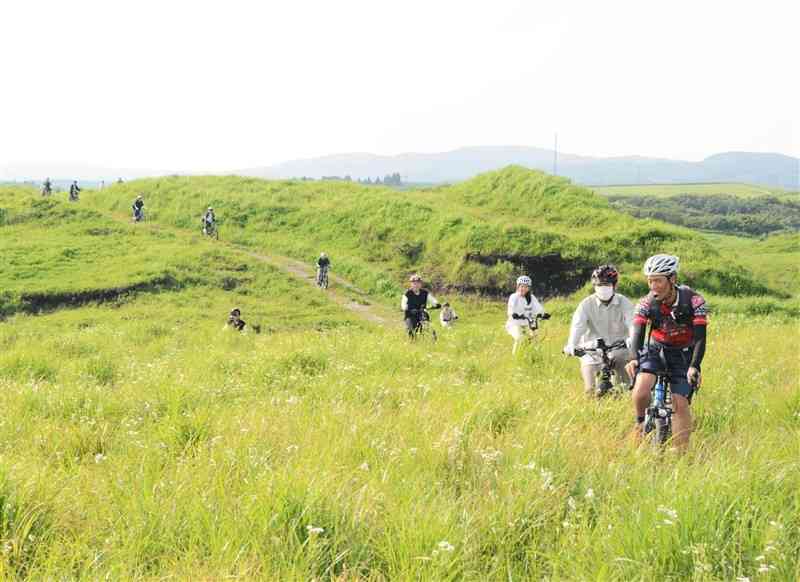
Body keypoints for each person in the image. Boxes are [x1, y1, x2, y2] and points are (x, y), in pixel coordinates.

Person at [624, 254, 708, 451]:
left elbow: (700, 338)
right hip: (656, 349)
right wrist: (634, 358)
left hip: (683, 354)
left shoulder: (695, 301)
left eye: (658, 281)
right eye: (650, 281)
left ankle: (681, 454)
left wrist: (694, 366)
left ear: (672, 279)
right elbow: (637, 332)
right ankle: (640, 424)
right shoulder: (646, 302)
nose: (653, 286)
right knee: (642, 388)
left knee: (680, 404)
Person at [564, 264, 635, 395]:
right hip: (592, 350)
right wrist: (571, 345)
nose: (602, 289)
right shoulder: (586, 304)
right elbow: (577, 326)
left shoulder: (624, 302)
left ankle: (624, 397)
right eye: (599, 285)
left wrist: (632, 338)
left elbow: (632, 323)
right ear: (594, 286)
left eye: (606, 285)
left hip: (618, 348)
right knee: (590, 389)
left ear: (614, 286)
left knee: (624, 387)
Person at [506, 275, 549, 355]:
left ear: (529, 288)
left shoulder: (531, 297)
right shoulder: (514, 297)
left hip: (527, 323)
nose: (524, 289)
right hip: (514, 324)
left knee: (535, 337)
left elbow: (538, 307)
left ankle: (534, 356)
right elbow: (510, 309)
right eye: (522, 286)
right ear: (518, 286)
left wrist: (543, 314)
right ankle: (515, 357)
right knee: (519, 338)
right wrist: (514, 314)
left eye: (526, 287)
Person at [401, 274, 440, 339]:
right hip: (410, 314)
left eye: (418, 283)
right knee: (411, 331)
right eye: (414, 283)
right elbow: (403, 304)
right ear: (411, 284)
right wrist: (405, 307)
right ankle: (413, 342)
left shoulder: (425, 293)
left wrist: (436, 304)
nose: (416, 285)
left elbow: (432, 300)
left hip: (421, 312)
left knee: (427, 323)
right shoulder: (407, 293)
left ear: (421, 284)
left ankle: (432, 338)